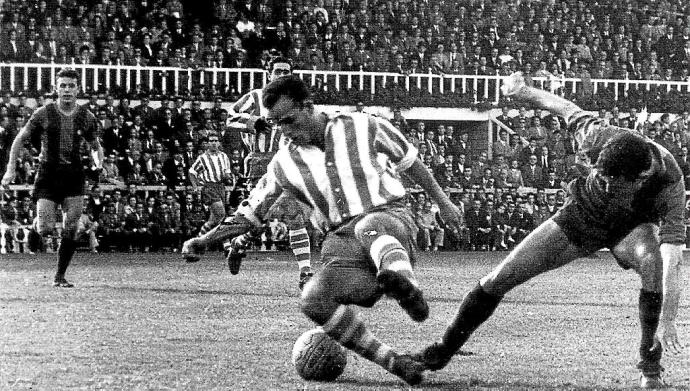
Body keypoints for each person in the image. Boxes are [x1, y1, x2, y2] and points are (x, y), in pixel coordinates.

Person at [182, 76, 463, 385]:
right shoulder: (284, 163)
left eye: (288, 120)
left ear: (309, 106)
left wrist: (444, 203)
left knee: (370, 224)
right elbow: (250, 211)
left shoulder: (363, 125)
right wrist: (205, 240)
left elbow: (410, 162)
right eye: (276, 123)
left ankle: (408, 288)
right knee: (313, 299)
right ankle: (395, 362)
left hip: (390, 220)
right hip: (344, 245)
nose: (284, 130)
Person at [413, 72, 685, 388]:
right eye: (603, 180)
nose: (608, 188)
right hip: (581, 215)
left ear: (638, 181)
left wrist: (667, 321)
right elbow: (562, 106)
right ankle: (442, 349)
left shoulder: (669, 185)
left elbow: (673, 261)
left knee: (654, 263)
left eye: (615, 186)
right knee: (499, 278)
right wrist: (521, 90)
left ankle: (649, 371)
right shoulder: (597, 136)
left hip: (631, 229)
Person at [1, 68, 102, 287]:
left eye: (71, 86)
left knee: (71, 226)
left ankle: (60, 276)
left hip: (74, 174)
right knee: (46, 228)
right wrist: (10, 170)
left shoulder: (86, 117)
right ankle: (37, 223)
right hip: (48, 172)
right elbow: (19, 140)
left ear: (78, 89)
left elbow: (95, 146)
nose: (67, 90)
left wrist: (98, 163)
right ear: (56, 88)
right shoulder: (43, 113)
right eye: (63, 85)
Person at [222, 56, 313, 287]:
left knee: (294, 215)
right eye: (278, 71)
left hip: (287, 163)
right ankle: (238, 245)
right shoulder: (255, 97)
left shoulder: (296, 102)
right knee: (260, 219)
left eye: (286, 71)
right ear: (269, 73)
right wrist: (253, 122)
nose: (282, 75)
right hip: (260, 163)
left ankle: (305, 272)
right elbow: (230, 117)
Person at [187, 132, 232, 243]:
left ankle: (196, 241)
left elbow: (227, 172)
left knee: (213, 220)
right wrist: (195, 186)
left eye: (216, 141)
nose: (213, 143)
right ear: (207, 143)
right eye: (211, 141)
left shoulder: (224, 156)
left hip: (220, 187)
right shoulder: (203, 158)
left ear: (219, 143)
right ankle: (226, 244)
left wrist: (228, 177)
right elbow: (192, 172)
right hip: (209, 188)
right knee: (221, 215)